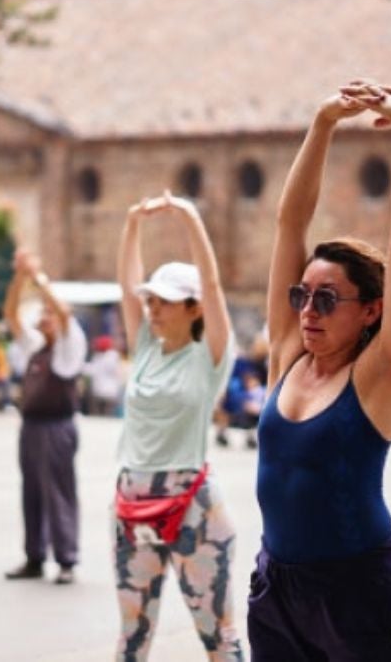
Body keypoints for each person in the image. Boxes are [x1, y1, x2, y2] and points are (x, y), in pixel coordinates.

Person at [247, 80, 391, 660]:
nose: (307, 310)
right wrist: (323, 123)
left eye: (328, 299)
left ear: (372, 309)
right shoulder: (288, 353)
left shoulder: (382, 373)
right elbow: (287, 225)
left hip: (358, 592)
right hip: (278, 586)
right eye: (304, 295)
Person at [111, 191, 242, 661]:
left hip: (191, 500)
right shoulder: (145, 345)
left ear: (194, 308)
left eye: (166, 302)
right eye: (152, 300)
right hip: (133, 496)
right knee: (132, 633)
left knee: (217, 632)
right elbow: (126, 287)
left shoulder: (210, 358)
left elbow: (213, 284)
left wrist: (189, 217)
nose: (154, 309)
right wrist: (132, 224)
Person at [1, 249, 87, 585]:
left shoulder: (69, 346)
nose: (41, 319)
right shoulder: (35, 346)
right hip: (32, 425)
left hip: (57, 426)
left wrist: (38, 277)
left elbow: (64, 312)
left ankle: (66, 558)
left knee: (59, 491)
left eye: (45, 314)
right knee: (32, 491)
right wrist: (20, 277)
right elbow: (10, 313)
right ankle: (34, 555)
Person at [83, 334, 123, 417]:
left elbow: (93, 370)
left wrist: (80, 366)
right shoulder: (110, 356)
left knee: (104, 417)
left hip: (107, 393)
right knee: (103, 417)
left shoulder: (109, 357)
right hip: (105, 392)